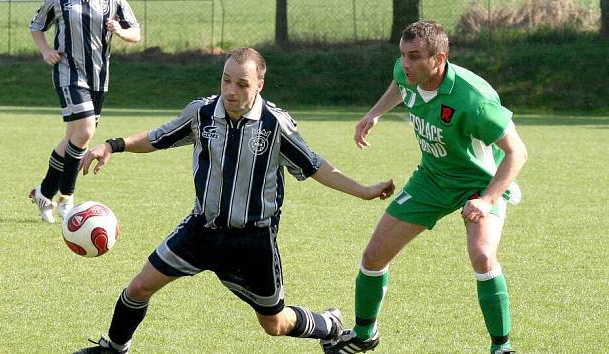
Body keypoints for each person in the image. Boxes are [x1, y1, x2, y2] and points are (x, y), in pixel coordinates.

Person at [76, 48, 396, 353]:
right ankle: (115, 349)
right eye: (226, 80)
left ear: (259, 85)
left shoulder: (275, 125)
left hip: (252, 243)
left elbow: (315, 166)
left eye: (242, 84)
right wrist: (112, 145)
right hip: (201, 231)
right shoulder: (201, 113)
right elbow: (157, 137)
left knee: (275, 323)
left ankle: (328, 325)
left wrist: (363, 190)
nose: (231, 90)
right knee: (138, 288)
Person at [324, 21, 527, 354]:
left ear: (439, 58)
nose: (405, 64)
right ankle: (364, 336)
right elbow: (399, 84)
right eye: (402, 55)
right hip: (431, 178)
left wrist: (489, 199)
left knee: (482, 255)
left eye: (414, 57)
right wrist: (375, 113)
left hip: (477, 183)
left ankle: (502, 349)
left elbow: (517, 152)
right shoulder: (407, 71)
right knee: (373, 256)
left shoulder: (473, 98)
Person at [28, 0, 140, 223]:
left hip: (99, 78)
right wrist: (45, 51)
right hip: (68, 74)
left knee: (75, 137)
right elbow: (36, 25)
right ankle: (66, 197)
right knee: (86, 131)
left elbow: (135, 33)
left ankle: (44, 192)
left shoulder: (115, 2)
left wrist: (120, 31)